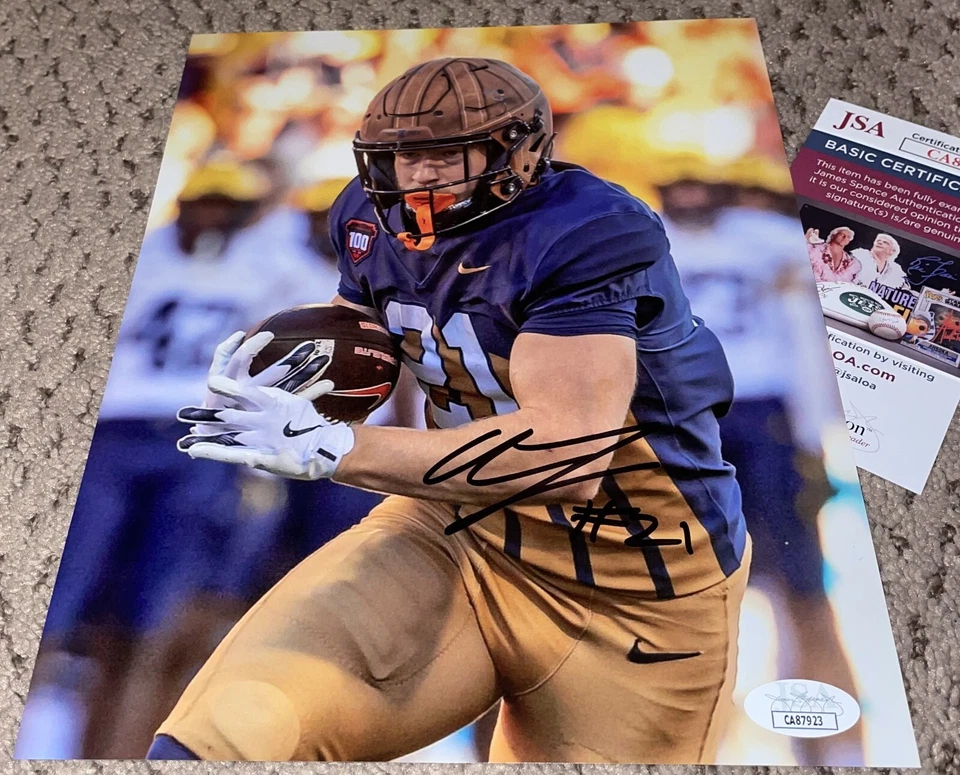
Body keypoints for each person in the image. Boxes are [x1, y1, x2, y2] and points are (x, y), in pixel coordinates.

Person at [148, 57, 749, 763]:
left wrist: (337, 447)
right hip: (460, 531)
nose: (419, 175)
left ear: (518, 153)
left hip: (636, 578)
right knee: (230, 731)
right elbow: (368, 338)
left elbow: (568, 454)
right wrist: (282, 378)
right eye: (404, 156)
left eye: (445, 154)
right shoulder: (367, 216)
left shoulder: (586, 230)